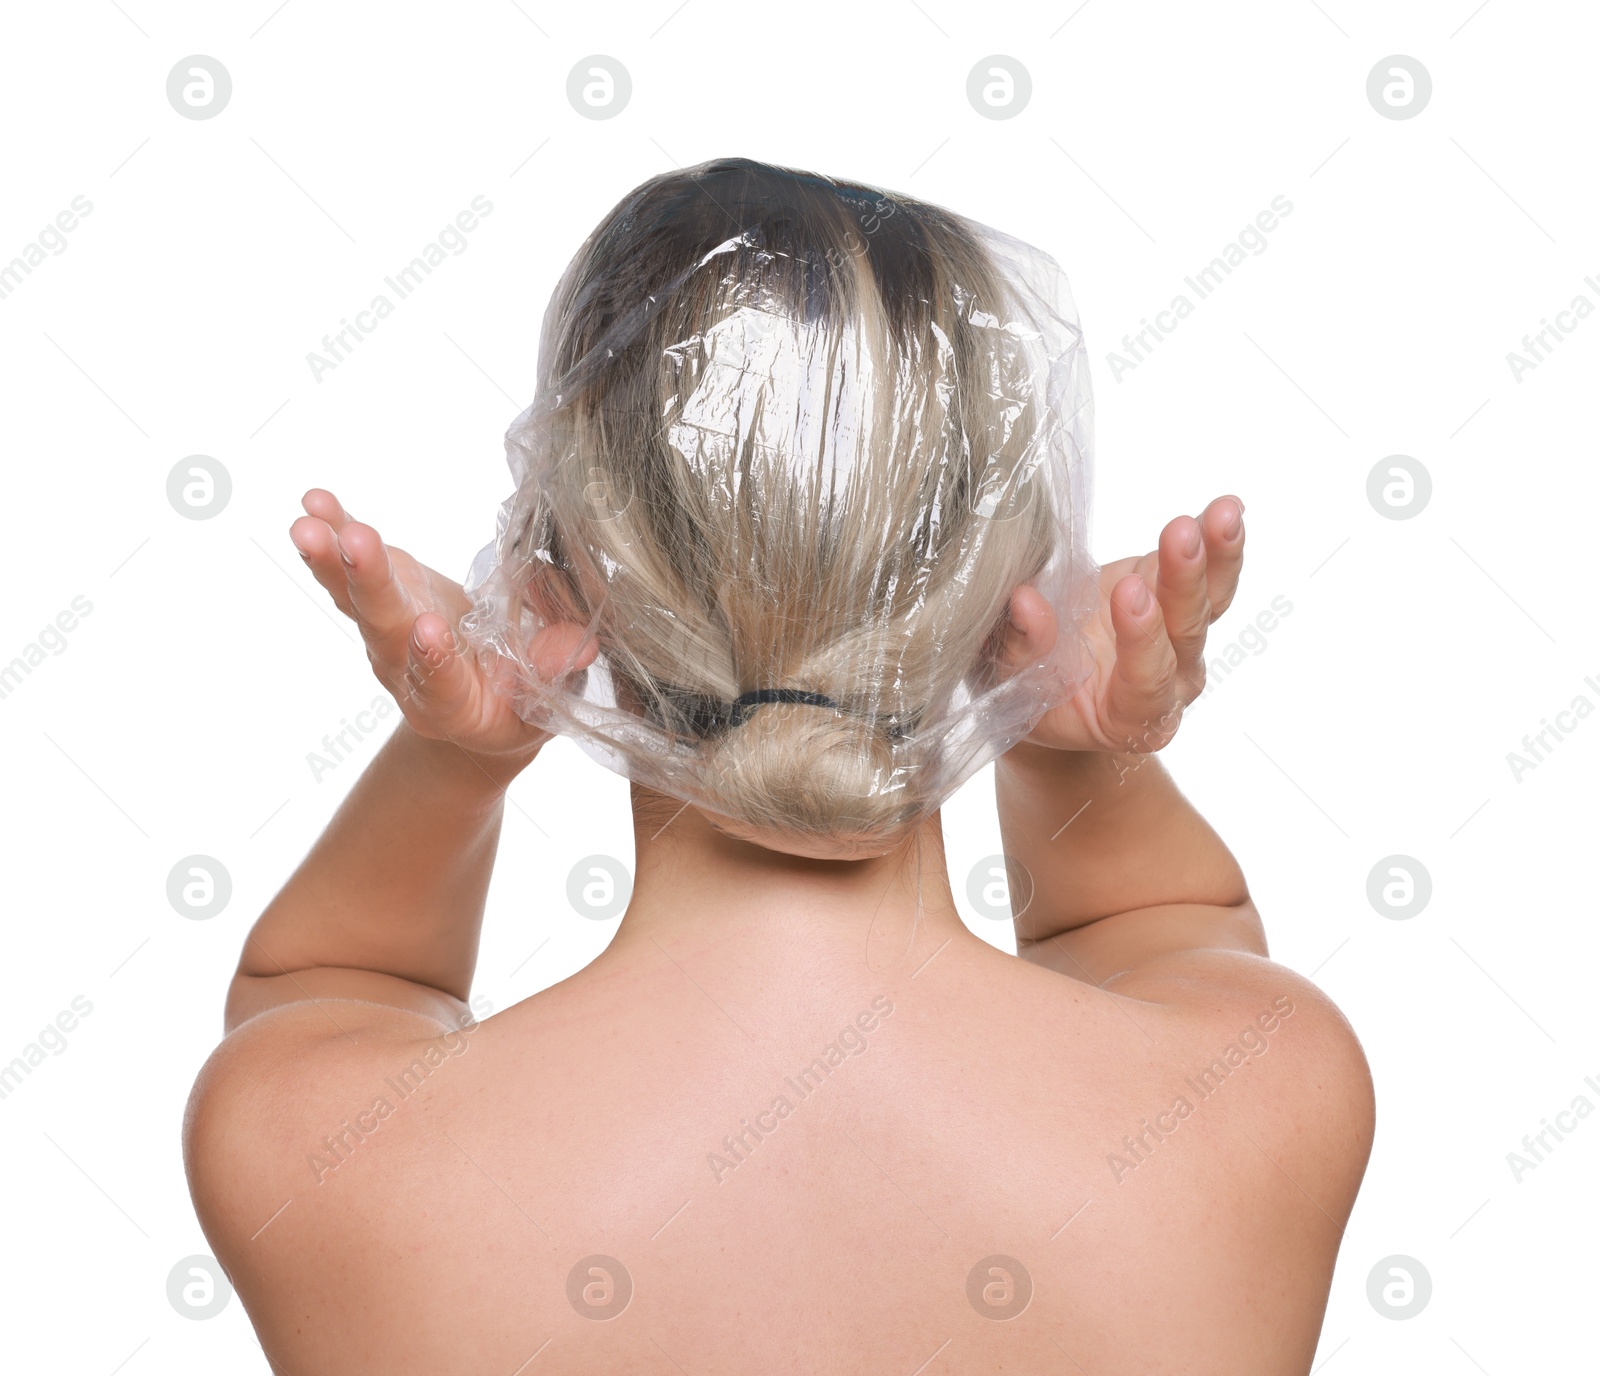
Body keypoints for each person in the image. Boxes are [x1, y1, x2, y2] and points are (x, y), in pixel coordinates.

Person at [184, 160, 1373, 1374]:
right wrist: (1064, 748)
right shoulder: (1263, 1099)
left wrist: (451, 760)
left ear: (551, 578)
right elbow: (1162, 927)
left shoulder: (319, 1154)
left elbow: (324, 986)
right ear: (1004, 590)